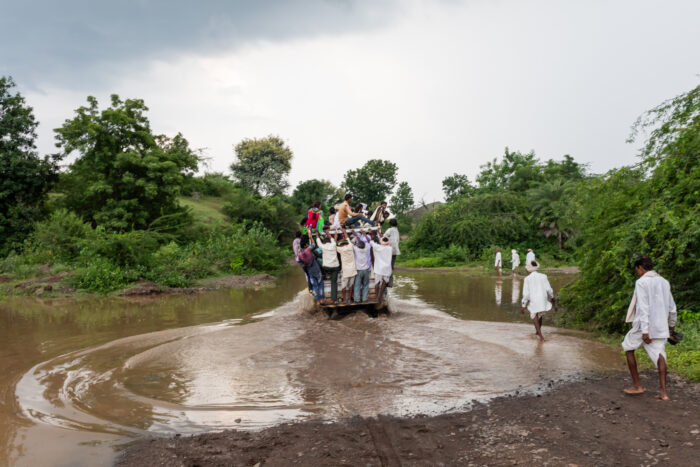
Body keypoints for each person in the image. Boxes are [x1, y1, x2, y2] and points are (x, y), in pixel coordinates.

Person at [622, 255, 677, 400]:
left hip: (643, 326)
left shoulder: (641, 282)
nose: (637, 272)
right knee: (660, 355)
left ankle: (637, 386)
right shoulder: (665, 282)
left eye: (637, 270)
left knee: (628, 347)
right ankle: (663, 392)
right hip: (661, 325)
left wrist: (645, 331)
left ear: (640, 268)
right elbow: (672, 307)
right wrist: (671, 326)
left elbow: (644, 308)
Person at [520, 260, 554, 342]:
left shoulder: (527, 279)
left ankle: (541, 336)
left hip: (534, 299)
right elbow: (548, 289)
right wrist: (552, 297)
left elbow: (526, 294)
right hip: (543, 298)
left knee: (534, 314)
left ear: (528, 270)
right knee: (540, 314)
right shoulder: (543, 276)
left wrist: (523, 305)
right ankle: (537, 332)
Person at [311, 229, 340, 302]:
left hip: (326, 267)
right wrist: (329, 234)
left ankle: (324, 274)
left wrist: (317, 234)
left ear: (324, 242)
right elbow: (333, 239)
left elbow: (318, 241)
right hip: (335, 267)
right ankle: (334, 299)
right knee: (334, 283)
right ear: (329, 241)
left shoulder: (323, 246)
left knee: (318, 260)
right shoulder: (333, 244)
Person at [298, 236, 324, 303]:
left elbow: (302, 265)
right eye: (307, 244)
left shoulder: (300, 255)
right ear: (305, 245)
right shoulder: (308, 250)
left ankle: (318, 301)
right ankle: (322, 299)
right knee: (320, 284)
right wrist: (310, 236)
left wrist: (307, 271)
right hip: (316, 270)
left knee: (315, 286)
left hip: (310, 272)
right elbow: (313, 244)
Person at [337, 227, 358, 304]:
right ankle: (349, 298)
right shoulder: (350, 246)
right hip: (353, 270)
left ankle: (344, 299)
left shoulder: (341, 250)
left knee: (344, 287)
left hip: (345, 272)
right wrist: (344, 231)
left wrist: (336, 237)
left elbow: (334, 246)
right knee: (351, 285)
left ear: (342, 245)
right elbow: (347, 237)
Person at [370, 234, 393, 302]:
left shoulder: (377, 247)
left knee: (377, 283)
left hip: (379, 269)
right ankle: (380, 296)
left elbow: (371, 242)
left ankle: (377, 296)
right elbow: (388, 243)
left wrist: (366, 234)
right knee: (384, 283)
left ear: (381, 241)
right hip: (387, 269)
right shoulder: (390, 248)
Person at [351, 230, 372, 302]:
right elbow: (369, 242)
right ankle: (364, 298)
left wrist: (355, 236)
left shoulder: (356, 249)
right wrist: (364, 234)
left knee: (357, 285)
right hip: (366, 270)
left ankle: (357, 299)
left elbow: (352, 243)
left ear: (358, 246)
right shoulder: (366, 249)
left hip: (359, 270)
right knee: (365, 285)